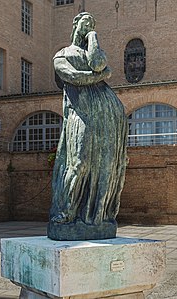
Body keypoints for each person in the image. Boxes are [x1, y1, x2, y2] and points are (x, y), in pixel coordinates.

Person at [48, 12, 128, 240]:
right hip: (80, 113)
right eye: (86, 22)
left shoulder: (93, 47)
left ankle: (98, 216)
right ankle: (65, 213)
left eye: (93, 23)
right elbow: (73, 77)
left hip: (108, 115)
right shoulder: (62, 54)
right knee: (79, 163)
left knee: (105, 165)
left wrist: (92, 36)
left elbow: (97, 62)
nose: (90, 25)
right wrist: (101, 76)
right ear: (74, 23)